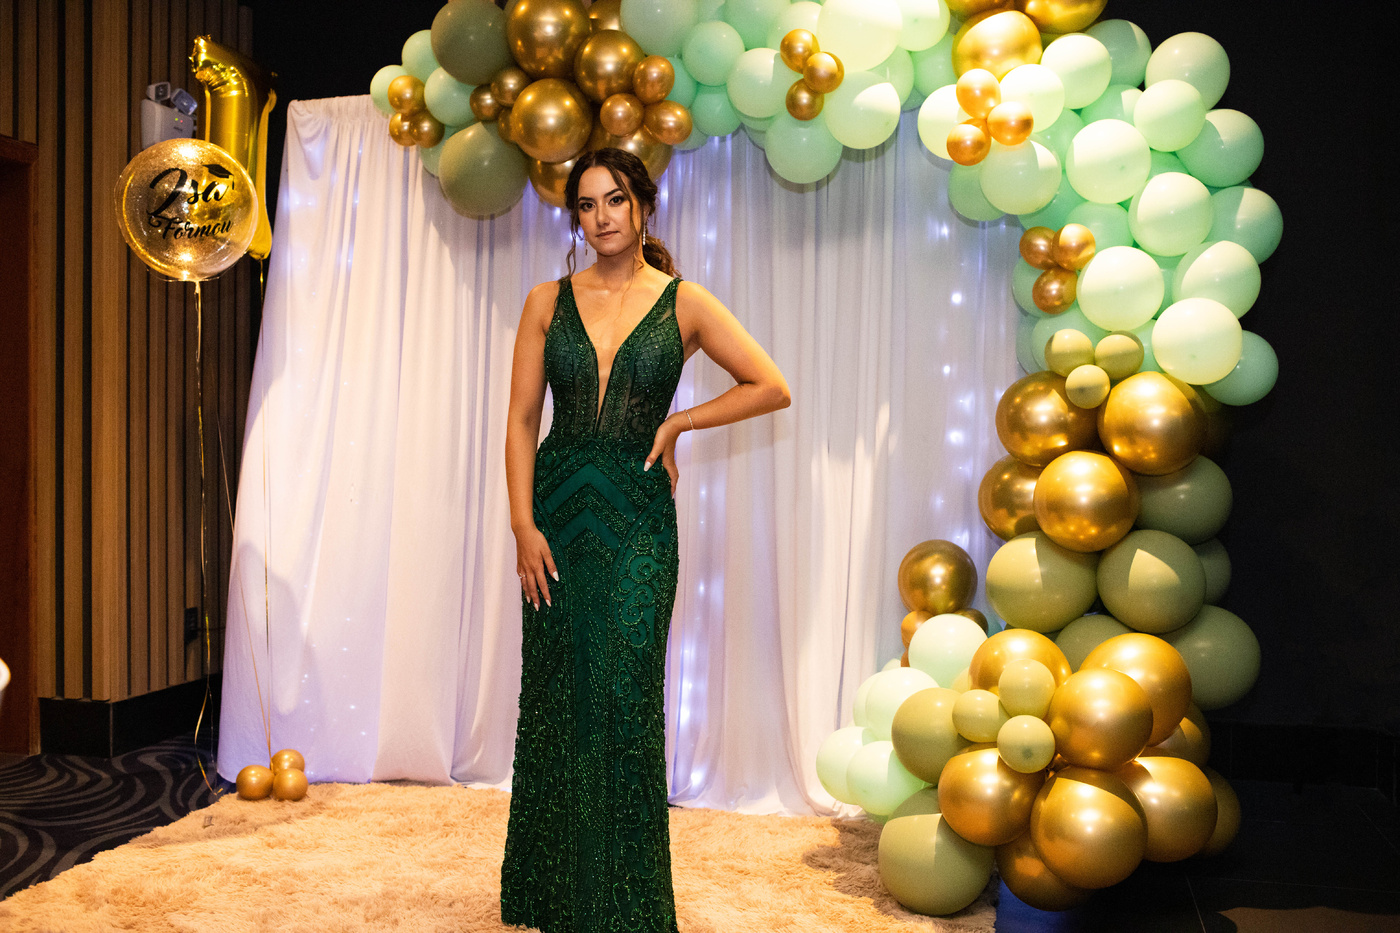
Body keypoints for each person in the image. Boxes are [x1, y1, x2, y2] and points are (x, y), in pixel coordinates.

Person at [499, 148, 790, 933]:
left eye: (615, 200)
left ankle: (625, 900)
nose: (601, 217)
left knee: (625, 693)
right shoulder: (544, 301)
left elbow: (771, 385)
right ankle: (551, 889)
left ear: (644, 207)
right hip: (557, 516)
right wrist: (523, 524)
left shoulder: (683, 301)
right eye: (587, 204)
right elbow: (522, 420)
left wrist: (681, 421)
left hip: (637, 519)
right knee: (558, 692)